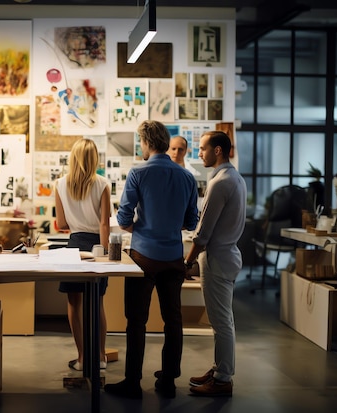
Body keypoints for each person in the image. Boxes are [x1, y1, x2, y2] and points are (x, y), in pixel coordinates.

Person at [104, 120, 198, 400]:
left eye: (140, 142)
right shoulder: (186, 177)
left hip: (143, 257)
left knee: (136, 320)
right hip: (173, 257)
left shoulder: (138, 172)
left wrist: (142, 228)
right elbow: (191, 221)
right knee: (173, 320)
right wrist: (167, 227)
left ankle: (133, 381)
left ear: (146, 142)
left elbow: (123, 219)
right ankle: (168, 380)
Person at [184, 130, 246, 397]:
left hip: (218, 260)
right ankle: (220, 368)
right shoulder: (235, 178)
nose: (199, 152)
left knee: (221, 323)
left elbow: (203, 232)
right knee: (223, 321)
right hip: (227, 256)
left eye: (202, 148)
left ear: (217, 150)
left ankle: (223, 378)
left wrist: (187, 262)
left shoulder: (220, 182)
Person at [54, 138, 111, 371]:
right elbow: (104, 224)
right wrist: (106, 254)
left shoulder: (60, 184)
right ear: (94, 158)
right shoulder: (103, 184)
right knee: (97, 302)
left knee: (74, 302)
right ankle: (100, 357)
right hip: (97, 245)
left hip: (75, 244)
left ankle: (81, 358)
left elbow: (61, 223)